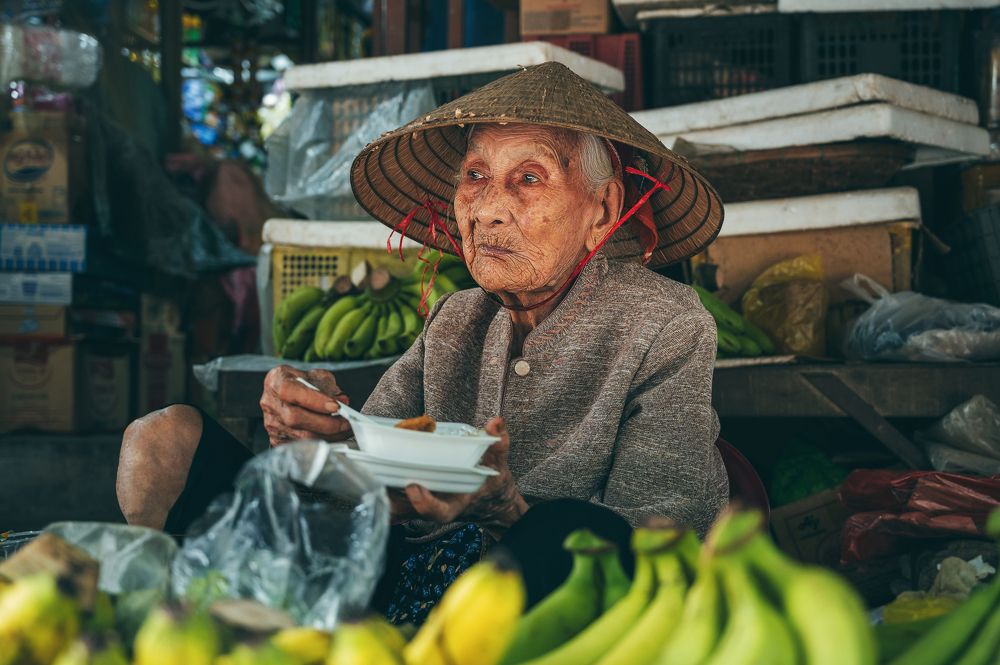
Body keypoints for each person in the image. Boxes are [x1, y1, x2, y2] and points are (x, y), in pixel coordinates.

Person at [116, 62, 729, 622]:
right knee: (164, 440)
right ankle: (187, 634)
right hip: (394, 583)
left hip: (531, 604)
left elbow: (664, 542)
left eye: (530, 177)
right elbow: (359, 474)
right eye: (476, 175)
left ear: (602, 209)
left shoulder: (665, 324)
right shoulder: (458, 317)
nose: (487, 209)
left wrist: (505, 510)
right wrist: (313, 431)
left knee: (563, 532)